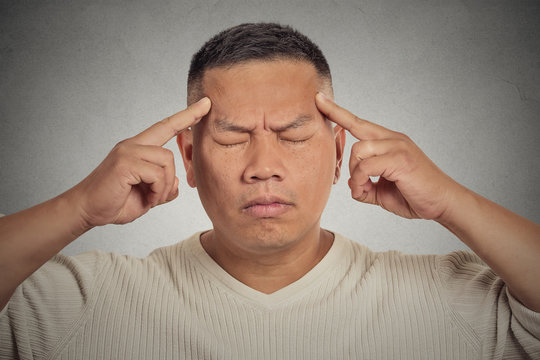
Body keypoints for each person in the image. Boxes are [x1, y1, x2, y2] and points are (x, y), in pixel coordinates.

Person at [0, 22, 539, 359]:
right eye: (233, 137)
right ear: (188, 158)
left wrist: (449, 200)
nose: (263, 166)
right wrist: (76, 209)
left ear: (337, 153)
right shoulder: (84, 303)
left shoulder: (446, 301)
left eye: (294, 135)